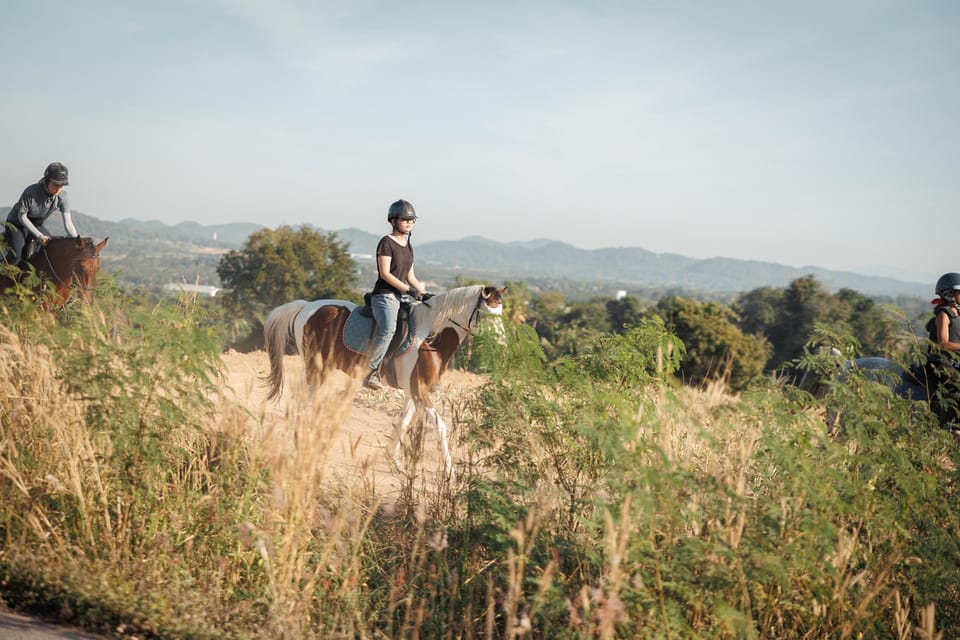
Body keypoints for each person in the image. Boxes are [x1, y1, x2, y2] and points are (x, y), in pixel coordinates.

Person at [365, 199, 428, 390]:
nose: (409, 223)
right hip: (384, 296)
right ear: (393, 221)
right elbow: (385, 273)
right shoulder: (386, 243)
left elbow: (410, 275)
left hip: (402, 297)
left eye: (412, 220)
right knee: (388, 329)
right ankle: (370, 372)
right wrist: (408, 290)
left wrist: (425, 294)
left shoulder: (408, 246)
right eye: (405, 219)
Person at [3, 162, 80, 265]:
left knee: (50, 248)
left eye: (61, 185)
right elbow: (22, 217)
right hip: (17, 224)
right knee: (16, 256)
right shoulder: (31, 192)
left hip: (36, 224)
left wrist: (77, 240)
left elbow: (68, 224)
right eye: (55, 184)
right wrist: (39, 235)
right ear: (47, 181)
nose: (58, 188)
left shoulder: (63, 196)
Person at [924, 272, 960, 428]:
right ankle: (948, 425)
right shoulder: (944, 314)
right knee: (955, 386)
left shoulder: (958, 314)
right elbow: (943, 344)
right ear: (949, 294)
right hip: (941, 361)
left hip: (956, 359)